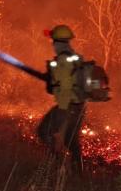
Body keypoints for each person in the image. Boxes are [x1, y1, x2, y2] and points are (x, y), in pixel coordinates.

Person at [37, 24, 86, 170]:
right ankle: (78, 173)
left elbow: (63, 87)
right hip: (79, 106)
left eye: (53, 41)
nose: (52, 44)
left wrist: (62, 113)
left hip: (67, 106)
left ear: (58, 42)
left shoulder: (63, 60)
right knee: (72, 141)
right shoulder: (75, 57)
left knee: (44, 131)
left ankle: (55, 163)